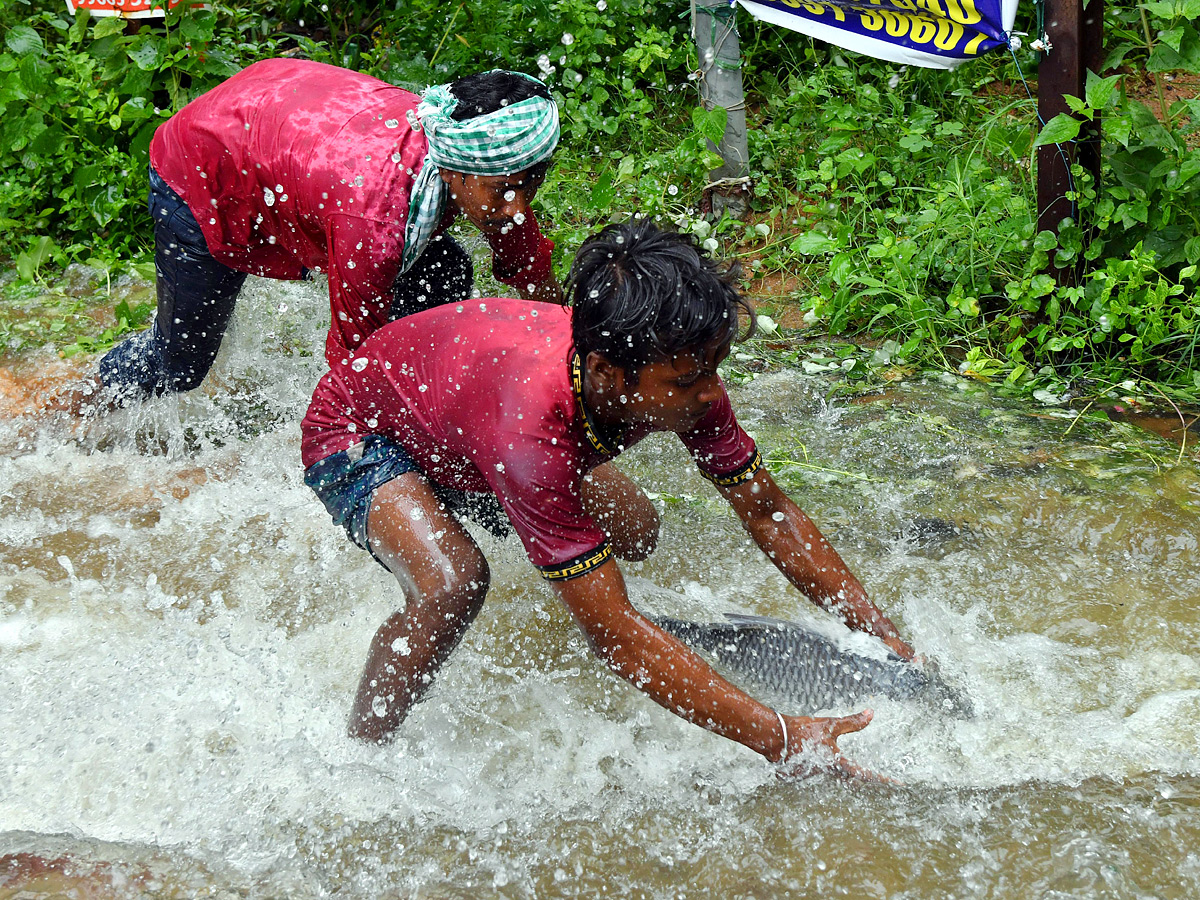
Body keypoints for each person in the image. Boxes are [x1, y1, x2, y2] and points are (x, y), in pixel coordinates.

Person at [300, 219, 917, 777]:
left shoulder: (679, 366)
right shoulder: (530, 438)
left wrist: (877, 634)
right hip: (362, 430)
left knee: (637, 530)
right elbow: (616, 639)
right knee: (455, 581)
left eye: (714, 368)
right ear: (604, 372)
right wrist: (782, 737)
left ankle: (583, 587)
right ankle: (359, 756)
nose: (709, 394)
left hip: (469, 422)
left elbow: (765, 509)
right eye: (687, 381)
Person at [53, 58, 562, 411]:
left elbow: (530, 266)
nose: (518, 205)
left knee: (442, 272)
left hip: (286, 113)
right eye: (502, 191)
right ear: (452, 170)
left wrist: (564, 344)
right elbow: (353, 366)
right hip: (204, 163)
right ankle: (61, 408)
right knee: (178, 365)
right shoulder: (376, 225)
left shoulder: (490, 167)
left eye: (532, 182)